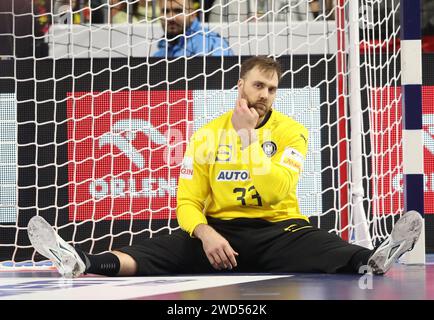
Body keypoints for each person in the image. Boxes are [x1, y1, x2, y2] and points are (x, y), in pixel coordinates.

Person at [27, 56, 422, 278]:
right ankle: (79, 261)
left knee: (331, 248)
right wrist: (206, 233)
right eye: (257, 86)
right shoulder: (205, 136)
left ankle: (375, 257)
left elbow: (278, 190)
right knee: (153, 251)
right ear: (240, 85)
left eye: (271, 89)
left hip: (278, 230)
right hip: (221, 236)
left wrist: (250, 138)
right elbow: (187, 202)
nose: (265, 95)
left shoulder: (292, 132)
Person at [153, 0, 233, 57]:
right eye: (166, 11)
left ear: (193, 15)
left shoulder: (213, 44)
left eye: (178, 11)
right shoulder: (159, 55)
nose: (171, 17)